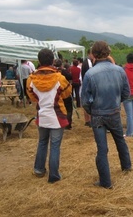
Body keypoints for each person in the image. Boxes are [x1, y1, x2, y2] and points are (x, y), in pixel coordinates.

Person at [81, 41, 131, 189]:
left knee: (102, 149)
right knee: (120, 141)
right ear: (108, 53)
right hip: (114, 111)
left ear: (93, 55)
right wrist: (116, 103)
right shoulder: (120, 71)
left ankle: (105, 182)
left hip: (98, 115)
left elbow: (84, 100)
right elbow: (126, 93)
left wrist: (92, 111)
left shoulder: (90, 74)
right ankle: (126, 166)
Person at [26, 48, 72, 183]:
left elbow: (33, 97)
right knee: (55, 145)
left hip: (42, 115)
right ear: (52, 60)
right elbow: (67, 93)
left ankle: (39, 169)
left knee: (42, 142)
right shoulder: (59, 78)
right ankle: (54, 175)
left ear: (39, 61)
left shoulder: (31, 79)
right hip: (57, 116)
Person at [54, 59, 73, 130]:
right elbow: (70, 77)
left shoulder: (53, 72)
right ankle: (68, 124)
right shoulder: (64, 72)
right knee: (68, 109)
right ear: (61, 65)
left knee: (59, 109)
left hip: (57, 94)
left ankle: (60, 123)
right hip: (65, 92)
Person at [81, 49, 95, 126]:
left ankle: (87, 120)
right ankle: (88, 120)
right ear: (89, 53)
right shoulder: (88, 63)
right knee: (89, 102)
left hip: (86, 84)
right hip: (88, 85)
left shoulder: (85, 62)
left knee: (87, 102)